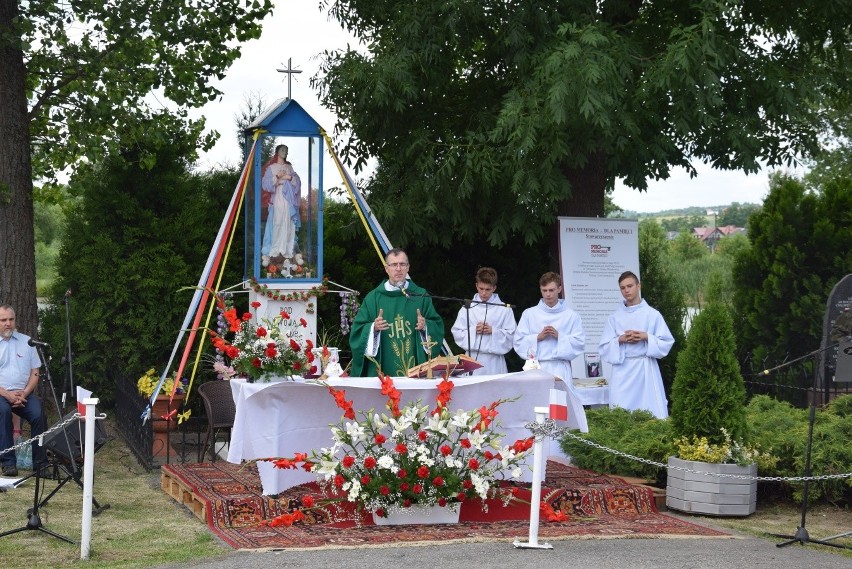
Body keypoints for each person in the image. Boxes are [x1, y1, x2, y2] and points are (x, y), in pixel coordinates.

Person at [349, 249, 444, 377]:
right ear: (386, 269)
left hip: (416, 368)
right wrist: (373, 328)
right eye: (394, 265)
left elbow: (437, 326)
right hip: (383, 371)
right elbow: (357, 331)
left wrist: (425, 326)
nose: (398, 269)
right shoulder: (373, 298)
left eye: (402, 264)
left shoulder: (420, 295)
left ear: (408, 268)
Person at [513, 272, 587, 431]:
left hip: (560, 369)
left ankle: (560, 451)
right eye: (544, 290)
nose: (548, 294)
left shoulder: (571, 316)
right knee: (537, 410)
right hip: (537, 369)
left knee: (559, 414)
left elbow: (579, 343)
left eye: (551, 290)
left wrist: (560, 337)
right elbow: (518, 341)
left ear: (559, 289)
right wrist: (537, 337)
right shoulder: (530, 314)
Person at [598, 271, 674, 419]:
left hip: (645, 368)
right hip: (623, 370)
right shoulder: (614, 317)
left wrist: (646, 337)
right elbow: (604, 347)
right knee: (622, 409)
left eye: (630, 286)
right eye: (622, 288)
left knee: (649, 409)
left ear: (638, 286)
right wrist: (620, 339)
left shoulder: (652, 315)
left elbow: (667, 342)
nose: (626, 290)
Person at [0, 304, 47, 476]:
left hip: (23, 394)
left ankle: (41, 465)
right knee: (3, 412)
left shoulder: (28, 342)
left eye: (11, 319)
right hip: (1, 394)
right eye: (3, 320)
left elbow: (35, 372)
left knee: (39, 415)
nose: (8, 323)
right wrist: (8, 395)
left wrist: (25, 393)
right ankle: (8, 463)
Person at [451, 267, 516, 375]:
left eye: (487, 289)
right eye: (481, 288)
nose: (484, 293)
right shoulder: (467, 308)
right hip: (472, 359)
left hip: (494, 362)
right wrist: (474, 330)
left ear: (494, 288)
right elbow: (457, 332)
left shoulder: (504, 309)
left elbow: (512, 335)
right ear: (476, 285)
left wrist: (493, 331)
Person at [260, 144, 302, 267]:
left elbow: (297, 182)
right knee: (277, 223)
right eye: (282, 150)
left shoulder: (289, 168)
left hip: (288, 199)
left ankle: (287, 251)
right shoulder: (271, 168)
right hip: (278, 196)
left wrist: (288, 177)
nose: (285, 152)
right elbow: (265, 184)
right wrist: (278, 176)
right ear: (277, 151)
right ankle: (275, 250)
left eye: (286, 150)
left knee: (288, 224)